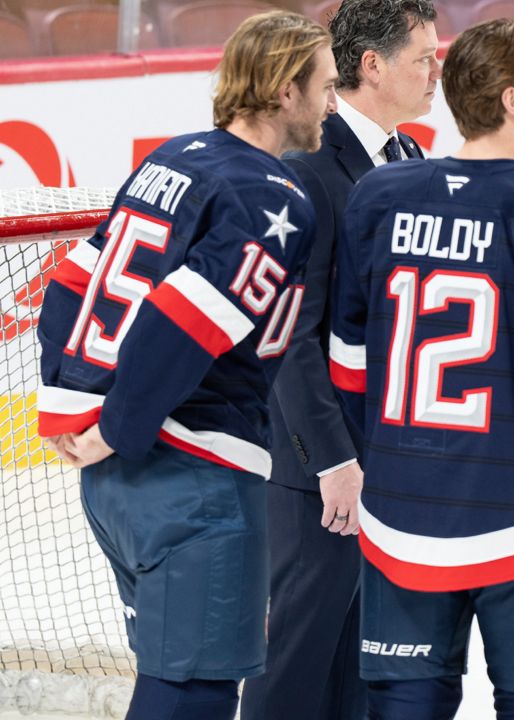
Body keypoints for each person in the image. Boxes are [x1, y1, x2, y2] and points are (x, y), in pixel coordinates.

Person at [327, 18, 514, 720]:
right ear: (512, 100)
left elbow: (349, 365)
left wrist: (390, 467)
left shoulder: (382, 197)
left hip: (401, 520)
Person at [34, 11, 335, 720]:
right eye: (323, 85)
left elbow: (73, 280)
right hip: (190, 474)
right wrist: (121, 422)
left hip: (120, 486)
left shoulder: (174, 156)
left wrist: (69, 408)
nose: (330, 101)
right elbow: (186, 317)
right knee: (192, 693)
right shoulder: (272, 195)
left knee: (170, 675)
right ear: (285, 91)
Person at [238, 2, 440, 718]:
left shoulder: (408, 158)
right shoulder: (310, 169)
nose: (435, 72)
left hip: (383, 464)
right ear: (372, 65)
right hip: (318, 476)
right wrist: (331, 460)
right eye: (423, 57)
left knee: (355, 671)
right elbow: (289, 333)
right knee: (292, 666)